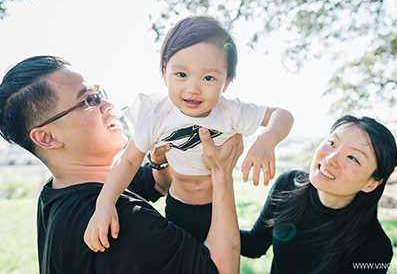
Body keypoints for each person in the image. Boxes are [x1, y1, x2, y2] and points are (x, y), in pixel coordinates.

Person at [0, 55, 243, 274]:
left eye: (99, 93)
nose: (108, 105)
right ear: (48, 137)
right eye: (89, 100)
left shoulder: (60, 191)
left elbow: (154, 185)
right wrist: (221, 172)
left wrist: (159, 162)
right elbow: (220, 270)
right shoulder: (117, 225)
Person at [85, 14, 294, 246]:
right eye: (182, 75)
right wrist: (105, 203)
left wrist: (266, 140)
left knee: (217, 264)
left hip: (216, 207)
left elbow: (282, 115)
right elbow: (128, 161)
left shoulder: (231, 111)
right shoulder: (156, 116)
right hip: (178, 205)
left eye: (208, 78)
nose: (193, 88)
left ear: (225, 82)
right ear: (165, 74)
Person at [240, 115, 397, 274]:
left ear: (371, 183)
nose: (331, 159)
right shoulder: (288, 184)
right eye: (332, 143)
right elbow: (255, 245)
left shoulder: (375, 249)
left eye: (352, 158)